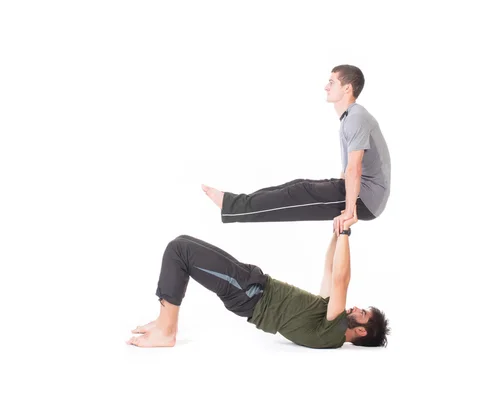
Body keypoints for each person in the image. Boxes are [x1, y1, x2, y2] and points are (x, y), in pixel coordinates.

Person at [126, 212, 390, 349]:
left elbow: (342, 280)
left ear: (362, 331)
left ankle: (167, 330)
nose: (356, 308)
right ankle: (163, 321)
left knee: (179, 251)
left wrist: (346, 231)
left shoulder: (333, 331)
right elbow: (331, 273)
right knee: (182, 242)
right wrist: (336, 232)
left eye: (363, 313)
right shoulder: (326, 321)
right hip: (253, 285)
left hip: (250, 294)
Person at [202, 64, 391, 234]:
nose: (326, 87)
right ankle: (234, 202)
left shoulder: (356, 118)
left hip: (366, 199)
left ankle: (232, 206)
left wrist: (349, 212)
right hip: (360, 192)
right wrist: (337, 194)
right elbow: (347, 168)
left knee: (300, 193)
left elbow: (354, 168)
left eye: (332, 82)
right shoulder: (350, 117)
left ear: (347, 88)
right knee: (298, 185)